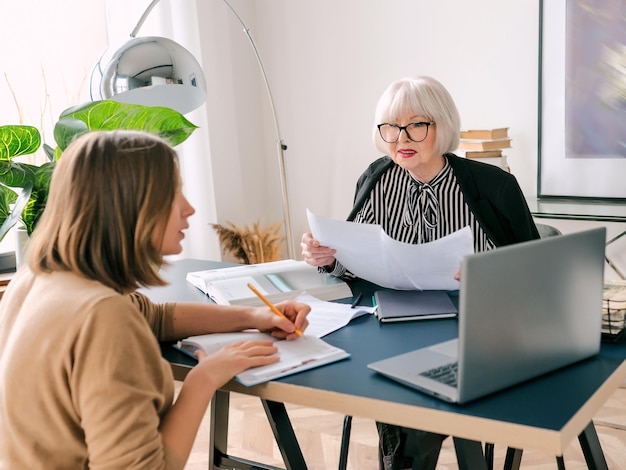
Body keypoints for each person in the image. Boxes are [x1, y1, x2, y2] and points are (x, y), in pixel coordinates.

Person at [0, 130, 310, 469]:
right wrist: (203, 379)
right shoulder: (103, 317)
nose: (189, 208)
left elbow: (159, 317)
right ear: (128, 206)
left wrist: (255, 317)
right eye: (172, 194)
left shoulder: (36, 278)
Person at [301, 76, 539, 470]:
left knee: (417, 395)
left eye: (416, 124)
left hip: (478, 325)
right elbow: (352, 258)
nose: (400, 137)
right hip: (397, 322)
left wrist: (490, 274)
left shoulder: (493, 185)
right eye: (391, 127)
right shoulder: (376, 178)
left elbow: (533, 269)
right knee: (403, 392)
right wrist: (325, 256)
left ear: (441, 125)